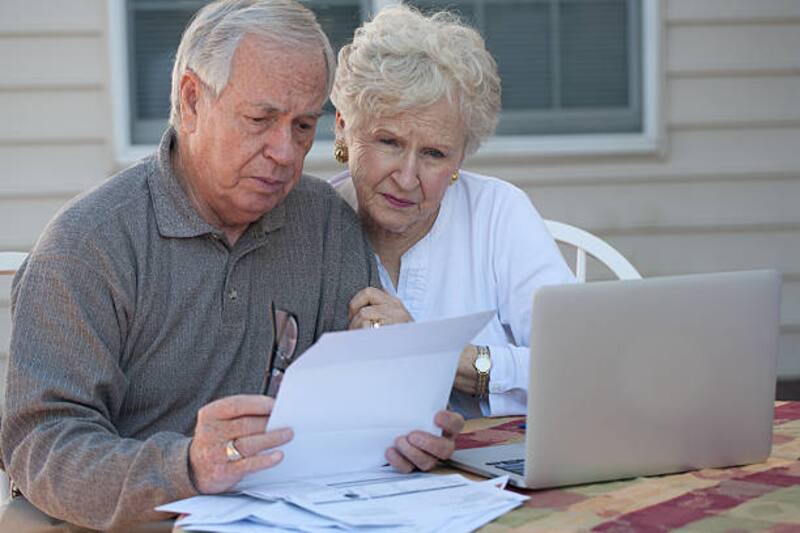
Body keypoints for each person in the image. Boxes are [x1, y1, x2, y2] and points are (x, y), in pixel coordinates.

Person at [0, 1, 463, 530]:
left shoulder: (327, 226)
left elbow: (350, 415)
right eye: (260, 120)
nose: (285, 151)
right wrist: (188, 467)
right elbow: (41, 444)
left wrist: (403, 430)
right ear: (193, 100)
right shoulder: (89, 245)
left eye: (304, 125)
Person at [331, 5, 575, 419]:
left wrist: (435, 354)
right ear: (342, 128)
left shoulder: (498, 214)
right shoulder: (310, 225)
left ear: (461, 157)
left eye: (434, 154)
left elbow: (580, 363)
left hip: (501, 470)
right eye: (389, 142)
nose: (407, 178)